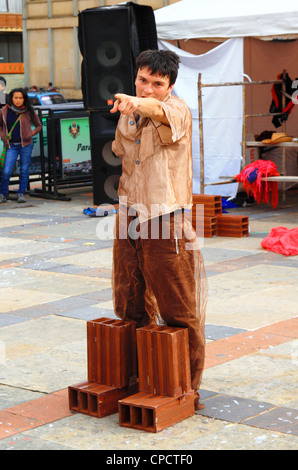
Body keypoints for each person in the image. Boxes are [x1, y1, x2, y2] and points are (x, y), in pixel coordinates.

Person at [110, 49, 207, 410]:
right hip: (128, 213)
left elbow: (156, 111)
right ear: (135, 76)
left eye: (157, 84)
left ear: (169, 87)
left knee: (178, 307)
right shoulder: (128, 114)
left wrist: (137, 102)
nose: (148, 89)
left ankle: (187, 386)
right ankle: (140, 378)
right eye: (142, 80)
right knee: (129, 302)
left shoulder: (178, 109)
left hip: (166, 218)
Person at [0, 88, 42, 203]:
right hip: (11, 145)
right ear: (11, 98)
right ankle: (3, 194)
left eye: (20, 98)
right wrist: (3, 135)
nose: (18, 100)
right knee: (6, 171)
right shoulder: (4, 110)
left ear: (24, 99)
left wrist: (31, 133)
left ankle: (21, 193)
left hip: (26, 145)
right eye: (16, 98)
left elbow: (39, 125)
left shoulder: (29, 111)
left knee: (24, 170)